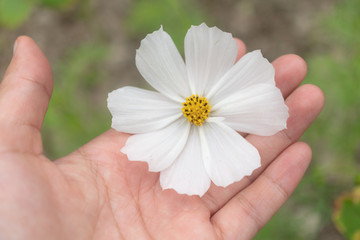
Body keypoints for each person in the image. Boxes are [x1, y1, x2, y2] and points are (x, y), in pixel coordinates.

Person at [0, 36, 324, 240]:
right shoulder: (178, 114)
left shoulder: (221, 107)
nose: (196, 109)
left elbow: (258, 102)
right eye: (194, 108)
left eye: (198, 108)